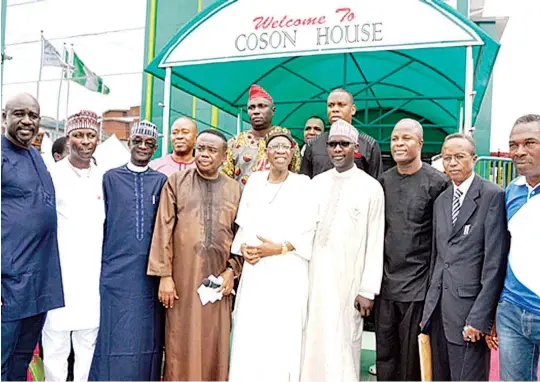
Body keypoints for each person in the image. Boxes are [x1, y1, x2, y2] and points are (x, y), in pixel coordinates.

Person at [147, 129, 242, 381]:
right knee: (180, 340)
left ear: (224, 157)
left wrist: (232, 270)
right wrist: (165, 276)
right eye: (201, 149)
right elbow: (162, 229)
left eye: (212, 150)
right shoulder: (176, 182)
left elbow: (241, 236)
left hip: (219, 281)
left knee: (215, 342)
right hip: (182, 280)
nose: (205, 155)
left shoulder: (235, 190)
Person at [229, 128, 316, 381]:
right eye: (274, 146)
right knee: (251, 331)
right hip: (257, 272)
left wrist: (277, 249)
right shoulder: (255, 181)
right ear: (265, 152)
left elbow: (309, 229)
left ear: (292, 154)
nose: (280, 151)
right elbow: (243, 223)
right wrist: (244, 248)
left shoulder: (303, 184)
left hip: (288, 271)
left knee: (283, 335)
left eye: (285, 147)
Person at [301, 119, 385, 381]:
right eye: (333, 144)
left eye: (344, 144)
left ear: (355, 147)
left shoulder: (371, 187)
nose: (338, 149)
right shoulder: (315, 184)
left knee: (345, 339)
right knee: (312, 337)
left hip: (349, 278)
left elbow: (375, 240)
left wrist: (367, 290)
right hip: (313, 277)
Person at [420, 133, 509, 381]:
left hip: (468, 313)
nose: (452, 163)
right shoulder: (441, 200)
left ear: (474, 158)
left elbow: (494, 264)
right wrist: (428, 310)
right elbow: (439, 257)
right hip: (438, 310)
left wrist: (480, 318)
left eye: (459, 157)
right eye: (447, 158)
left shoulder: (492, 195)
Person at [89, 120, 167, 381]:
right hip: (115, 271)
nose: (143, 147)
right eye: (138, 141)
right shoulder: (110, 178)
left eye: (149, 143)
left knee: (147, 335)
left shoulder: (162, 181)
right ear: (129, 143)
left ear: (155, 148)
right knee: (114, 332)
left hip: (149, 273)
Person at [374, 119, 448, 381]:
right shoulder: (382, 182)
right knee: (385, 354)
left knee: (411, 361)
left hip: (418, 288)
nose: (399, 144)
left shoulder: (438, 183)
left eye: (406, 138)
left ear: (420, 143)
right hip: (385, 285)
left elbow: (441, 243)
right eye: (395, 139)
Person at [1, 93, 64, 381]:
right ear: (4, 118)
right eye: (19, 114)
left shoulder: (35, 156)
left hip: (38, 284)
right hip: (9, 284)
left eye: (33, 116)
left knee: (21, 359)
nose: (27, 121)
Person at [42, 110, 106, 382]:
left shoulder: (105, 178)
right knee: (55, 343)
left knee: (88, 343)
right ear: (68, 139)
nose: (85, 141)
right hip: (58, 274)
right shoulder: (51, 175)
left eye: (90, 135)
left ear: (97, 139)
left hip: (92, 276)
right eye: (78, 135)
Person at [495, 114, 540, 381]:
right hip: (512, 310)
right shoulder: (511, 191)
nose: (519, 152)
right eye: (513, 145)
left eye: (530, 143)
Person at [222, 84, 300, 187]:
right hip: (241, 201)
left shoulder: (288, 143)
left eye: (262, 106)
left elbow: (295, 175)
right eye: (251, 108)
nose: (256, 112)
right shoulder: (235, 143)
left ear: (273, 110)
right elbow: (225, 180)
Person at [300, 88, 383, 179]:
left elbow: (375, 183)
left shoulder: (369, 144)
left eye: (341, 105)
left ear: (353, 109)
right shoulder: (313, 144)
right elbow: (305, 183)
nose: (335, 109)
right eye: (331, 105)